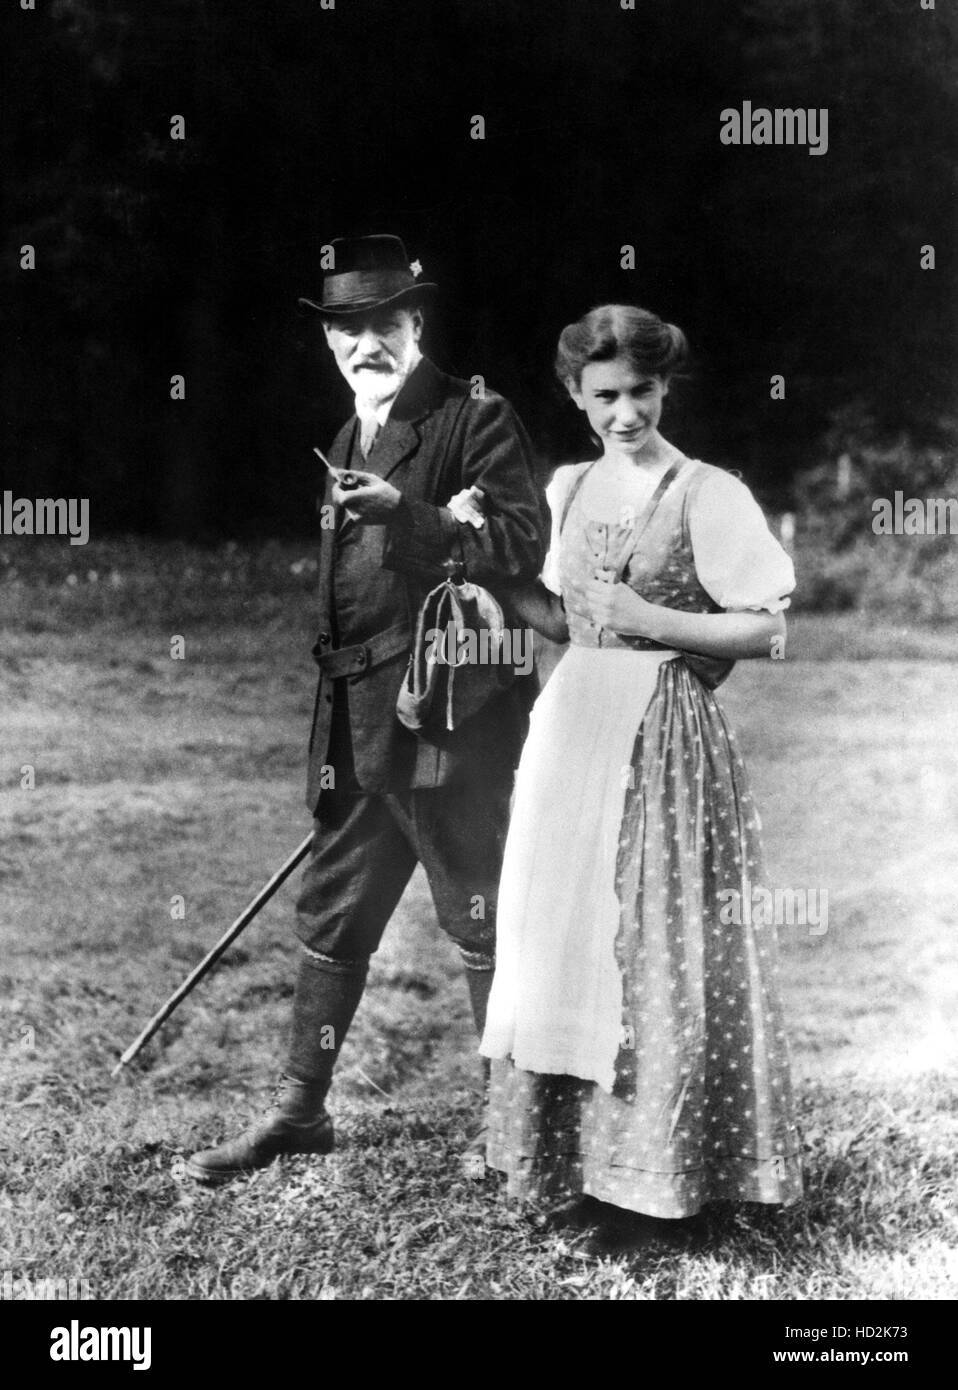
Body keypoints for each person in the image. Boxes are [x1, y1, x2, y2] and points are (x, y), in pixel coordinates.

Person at [187, 235, 545, 1185]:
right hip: (354, 726)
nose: (364, 344)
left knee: (478, 910)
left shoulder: (474, 415)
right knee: (332, 911)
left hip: (447, 721)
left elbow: (520, 543)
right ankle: (300, 1114)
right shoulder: (348, 434)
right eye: (345, 330)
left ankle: (514, 1130)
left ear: (415, 324)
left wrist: (411, 516)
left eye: (383, 323)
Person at [479, 304, 804, 1253]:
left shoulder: (708, 491)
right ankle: (577, 1170)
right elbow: (560, 617)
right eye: (606, 395)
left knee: (649, 948)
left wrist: (644, 613)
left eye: (643, 393)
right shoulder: (570, 486)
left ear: (666, 389)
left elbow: (766, 628)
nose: (627, 413)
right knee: (566, 941)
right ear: (578, 400)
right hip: (574, 726)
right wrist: (482, 564)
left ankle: (656, 1192)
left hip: (664, 734)